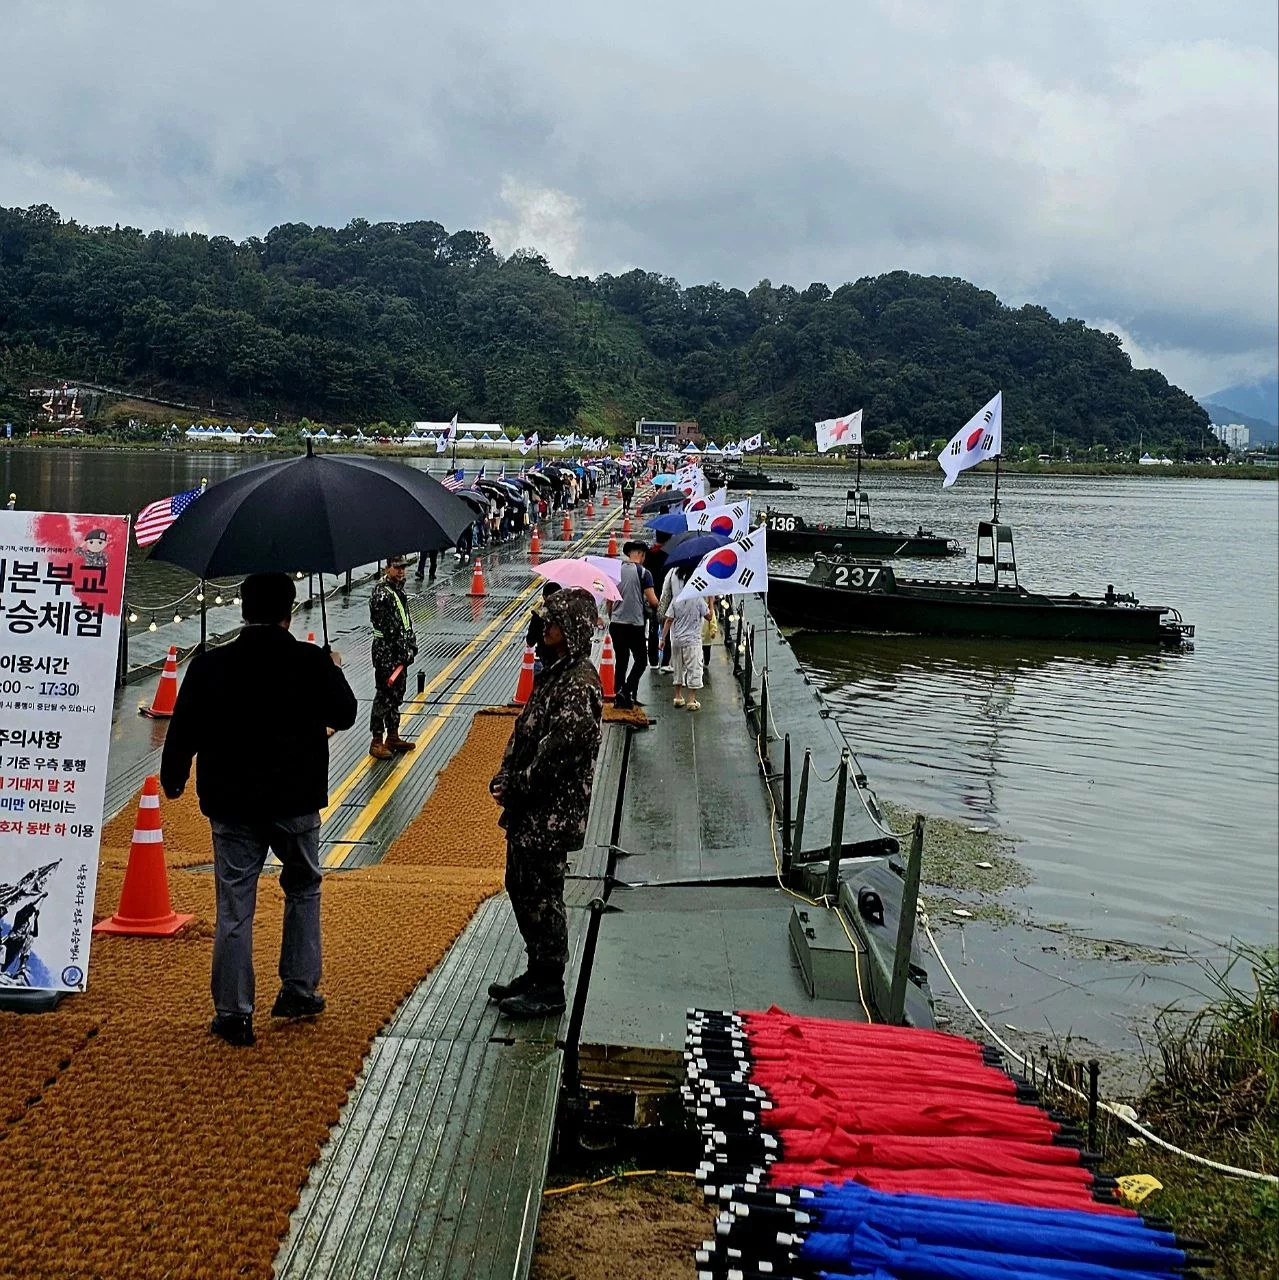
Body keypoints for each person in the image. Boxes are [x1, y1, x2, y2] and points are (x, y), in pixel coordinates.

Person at [160, 572, 358, 1047]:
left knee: (234, 905)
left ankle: (233, 1013)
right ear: (290, 611)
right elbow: (345, 714)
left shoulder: (210, 666)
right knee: (304, 889)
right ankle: (298, 990)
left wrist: (174, 779)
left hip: (232, 803)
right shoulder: (308, 662)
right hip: (295, 800)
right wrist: (331, 666)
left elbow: (182, 730)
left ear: (243, 611)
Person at [488, 588, 604, 1018]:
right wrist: (508, 776)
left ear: (570, 631)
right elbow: (529, 733)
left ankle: (550, 984)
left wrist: (516, 785)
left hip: (550, 811)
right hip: (532, 807)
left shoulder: (578, 684)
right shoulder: (555, 673)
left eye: (553, 623)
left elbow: (559, 754)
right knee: (521, 884)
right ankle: (538, 970)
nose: (544, 628)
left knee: (542, 894)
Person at [368, 556, 418, 759]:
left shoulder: (398, 590)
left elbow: (405, 621)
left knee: (396, 694)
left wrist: (411, 645)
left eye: (403, 568)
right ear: (387, 568)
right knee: (384, 695)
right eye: (397, 568)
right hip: (386, 653)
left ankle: (393, 735)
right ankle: (377, 740)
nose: (401, 572)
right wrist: (403, 651)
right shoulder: (381, 594)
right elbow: (390, 629)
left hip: (399, 652)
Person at [607, 541, 659, 709]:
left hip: (616, 623)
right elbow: (653, 601)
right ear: (642, 555)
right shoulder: (644, 573)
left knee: (621, 661)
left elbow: (609, 599)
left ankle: (619, 697)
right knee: (641, 661)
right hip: (635, 624)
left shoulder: (615, 572)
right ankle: (627, 691)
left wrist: (613, 615)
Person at [661, 566, 709, 710]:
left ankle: (677, 696)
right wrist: (711, 603)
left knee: (678, 667)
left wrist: (662, 639)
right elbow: (709, 616)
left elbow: (668, 620)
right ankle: (692, 700)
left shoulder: (676, 599)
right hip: (692, 641)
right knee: (694, 668)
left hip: (676, 640)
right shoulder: (699, 599)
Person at [643, 531, 672, 666]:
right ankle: (666, 661)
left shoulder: (649, 554)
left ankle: (653, 660)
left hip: (652, 594)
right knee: (667, 628)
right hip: (667, 596)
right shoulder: (670, 555)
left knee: (653, 628)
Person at [525, 580, 563, 671]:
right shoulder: (568, 613)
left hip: (546, 659)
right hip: (565, 659)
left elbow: (530, 641)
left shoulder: (539, 616)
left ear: (544, 597)